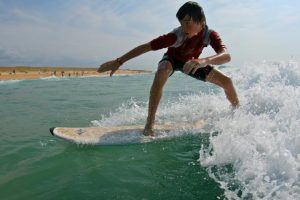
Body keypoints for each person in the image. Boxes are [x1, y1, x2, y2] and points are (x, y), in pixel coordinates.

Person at [97, 1, 239, 136]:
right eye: (181, 22)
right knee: (162, 72)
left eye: (188, 22)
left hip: (192, 63)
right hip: (172, 60)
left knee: (227, 82)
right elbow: (146, 47)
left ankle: (237, 112)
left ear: (201, 21)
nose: (183, 27)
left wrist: (204, 61)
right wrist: (119, 61)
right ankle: (150, 123)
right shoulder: (175, 36)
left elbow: (226, 56)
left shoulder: (210, 34)